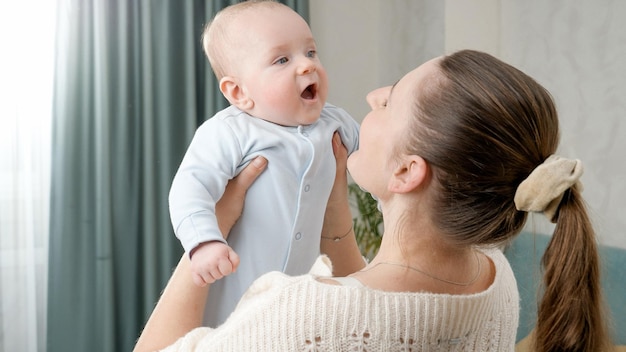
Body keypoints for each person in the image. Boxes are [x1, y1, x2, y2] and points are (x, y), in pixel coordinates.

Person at [137, 50, 611, 352]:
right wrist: (335, 211)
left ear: (407, 172)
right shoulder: (493, 280)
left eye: (390, 102)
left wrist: (209, 233)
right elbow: (373, 308)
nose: (373, 95)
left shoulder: (296, 314)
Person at [168, 0, 359, 327]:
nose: (306, 66)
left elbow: (376, 158)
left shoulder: (334, 123)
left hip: (297, 304)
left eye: (310, 52)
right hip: (235, 304)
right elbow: (189, 190)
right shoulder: (230, 132)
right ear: (239, 92)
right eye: (282, 59)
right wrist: (205, 242)